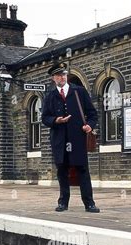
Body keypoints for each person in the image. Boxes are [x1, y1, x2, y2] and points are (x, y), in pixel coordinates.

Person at [41, 62, 100, 213]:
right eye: (59, 75)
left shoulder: (79, 91)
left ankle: (89, 203)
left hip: (78, 138)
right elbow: (45, 118)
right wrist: (56, 120)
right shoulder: (50, 96)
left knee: (82, 170)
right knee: (62, 171)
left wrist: (90, 126)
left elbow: (93, 114)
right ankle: (63, 203)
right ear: (53, 78)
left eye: (64, 74)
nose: (62, 77)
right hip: (59, 140)